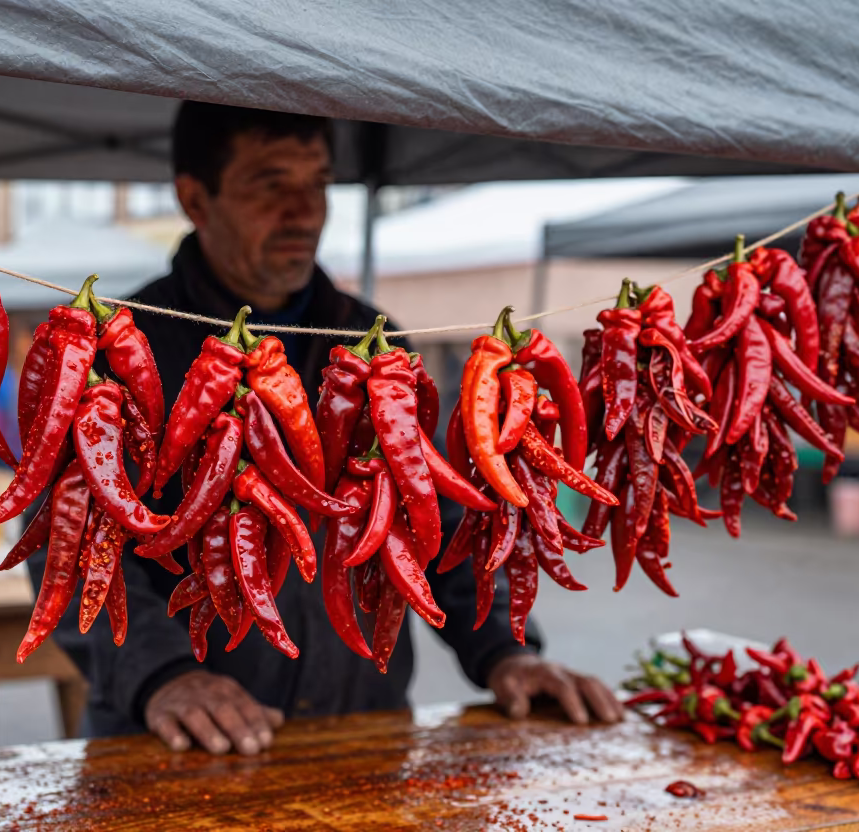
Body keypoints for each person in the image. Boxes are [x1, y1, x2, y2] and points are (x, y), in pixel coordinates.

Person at [32, 102, 623, 757]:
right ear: (195, 198)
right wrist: (163, 675)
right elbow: (73, 545)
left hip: (356, 735)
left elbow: (440, 520)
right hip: (173, 744)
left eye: (318, 184)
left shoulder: (373, 343)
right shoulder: (122, 351)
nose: (304, 211)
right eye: (271, 183)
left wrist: (506, 652)